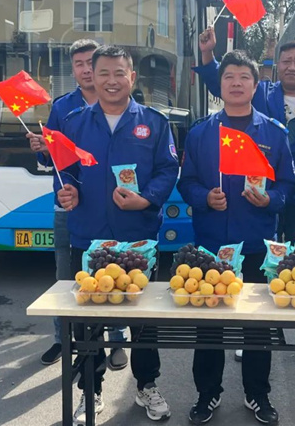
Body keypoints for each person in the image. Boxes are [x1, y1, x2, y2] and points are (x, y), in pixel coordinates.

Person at [195, 26, 295, 368]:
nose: (292, 67)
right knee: (247, 280)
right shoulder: (263, 94)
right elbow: (225, 80)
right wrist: (207, 55)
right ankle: (248, 339)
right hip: (250, 201)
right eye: (286, 61)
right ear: (276, 66)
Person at [56, 45, 178, 424]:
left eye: (119, 73)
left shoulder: (154, 123)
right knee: (88, 322)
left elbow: (168, 169)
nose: (112, 81)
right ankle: (90, 391)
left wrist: (147, 199)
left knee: (144, 321)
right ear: (91, 76)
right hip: (88, 237)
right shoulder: (74, 123)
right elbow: (65, 171)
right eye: (104, 73)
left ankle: (146, 385)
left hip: (138, 238)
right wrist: (66, 192)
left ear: (132, 77)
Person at [178, 50, 295, 425]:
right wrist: (204, 197)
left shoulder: (274, 133)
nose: (236, 83)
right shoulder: (201, 133)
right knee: (209, 326)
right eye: (229, 77)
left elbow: (288, 186)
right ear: (220, 85)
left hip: (256, 243)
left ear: (255, 85)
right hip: (211, 245)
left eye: (244, 77)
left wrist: (270, 200)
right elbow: (186, 182)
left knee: (257, 327)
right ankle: (207, 393)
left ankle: (257, 394)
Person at [26, 39, 128, 370]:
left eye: (90, 63)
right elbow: (57, 160)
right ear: (74, 71)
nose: (86, 70)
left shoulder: (122, 101)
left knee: (113, 273)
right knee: (67, 277)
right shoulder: (63, 108)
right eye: (79, 64)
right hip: (69, 206)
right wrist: (42, 149)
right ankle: (63, 338)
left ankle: (116, 339)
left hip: (111, 208)